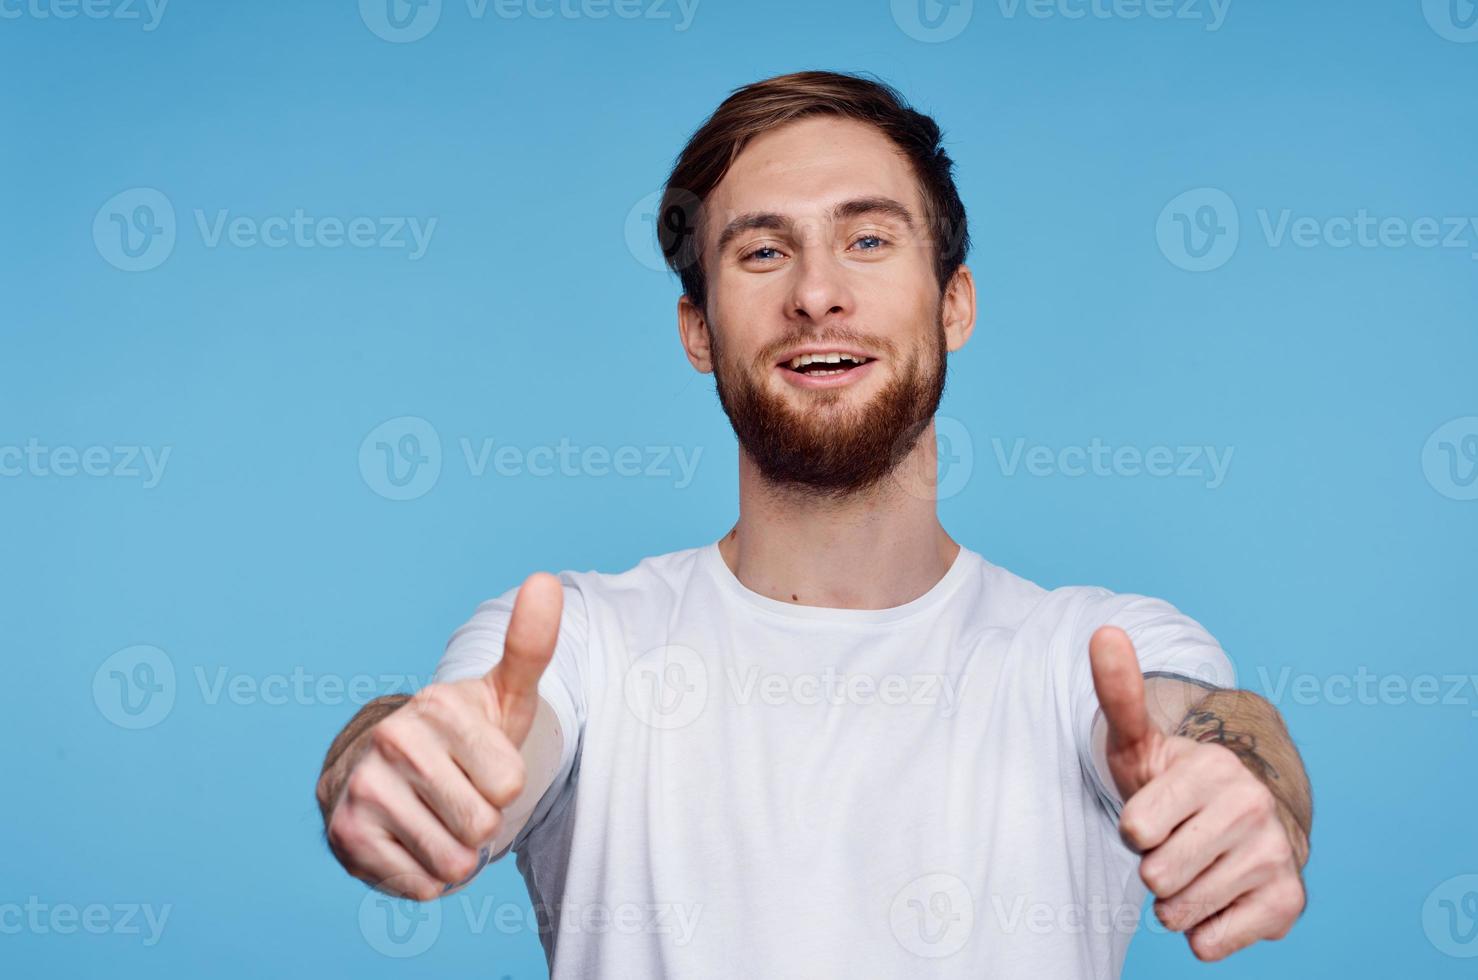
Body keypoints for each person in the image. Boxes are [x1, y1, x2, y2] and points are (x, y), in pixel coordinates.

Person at [315, 70, 1312, 978]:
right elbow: (450, 746)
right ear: (697, 330)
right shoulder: (575, 644)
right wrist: (389, 768)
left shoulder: (1093, 654)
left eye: (868, 240)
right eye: (760, 251)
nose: (816, 293)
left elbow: (1214, 733)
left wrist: (1245, 789)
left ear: (952, 303)